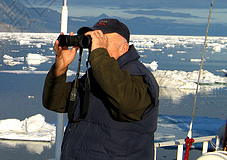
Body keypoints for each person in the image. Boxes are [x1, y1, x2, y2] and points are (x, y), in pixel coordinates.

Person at [43, 18, 159, 159]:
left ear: (123, 48)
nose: (95, 47)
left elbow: (128, 105)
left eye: (103, 41)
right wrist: (60, 69)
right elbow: (55, 102)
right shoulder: (95, 74)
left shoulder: (138, 75)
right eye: (94, 40)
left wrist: (99, 55)